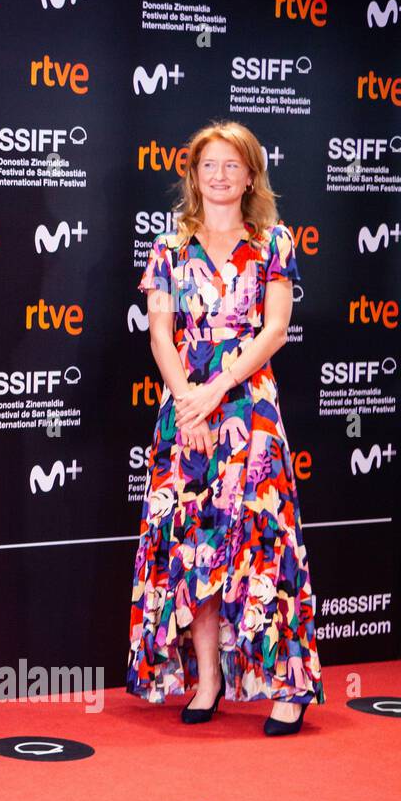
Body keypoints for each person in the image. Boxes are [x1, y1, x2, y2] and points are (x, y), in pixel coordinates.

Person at [127, 120, 323, 735]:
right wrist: (188, 399)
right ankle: (207, 681)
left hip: (249, 408)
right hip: (185, 410)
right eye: (208, 164)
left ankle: (287, 687)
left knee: (263, 544)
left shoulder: (273, 243)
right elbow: (160, 333)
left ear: (250, 175)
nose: (219, 175)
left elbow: (274, 331)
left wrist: (217, 389)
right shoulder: (167, 247)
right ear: (194, 173)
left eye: (232, 165)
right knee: (196, 545)